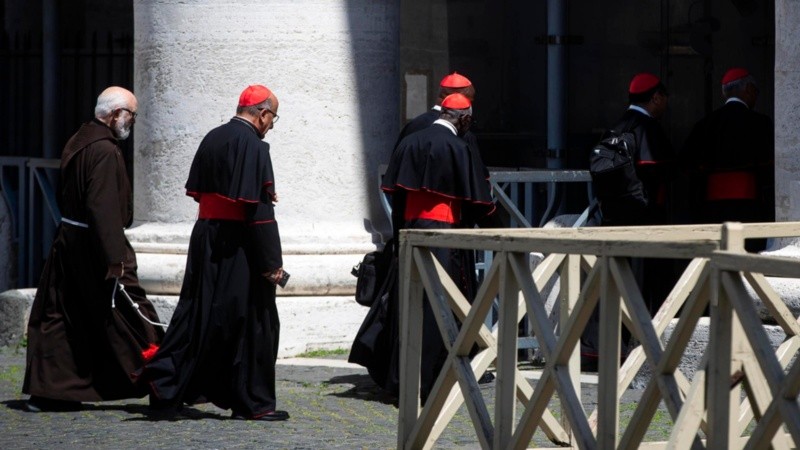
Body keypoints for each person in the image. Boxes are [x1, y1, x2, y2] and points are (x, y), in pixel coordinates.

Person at [140, 85, 289, 421]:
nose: (272, 125)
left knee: (198, 314)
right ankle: (253, 403)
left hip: (206, 237)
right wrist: (272, 264)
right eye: (273, 117)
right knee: (254, 320)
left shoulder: (213, 137)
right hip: (239, 244)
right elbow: (258, 212)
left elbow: (207, 193)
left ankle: (166, 390)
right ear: (262, 113)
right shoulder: (254, 146)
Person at [22, 86, 164, 412]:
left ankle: (52, 391)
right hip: (96, 249)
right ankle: (164, 382)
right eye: (131, 114)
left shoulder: (79, 140)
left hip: (71, 242)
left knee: (63, 316)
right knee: (133, 315)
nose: (133, 121)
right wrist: (114, 258)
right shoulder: (103, 150)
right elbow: (103, 208)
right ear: (114, 114)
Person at [377, 93, 495, 402]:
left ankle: (402, 380)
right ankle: (431, 383)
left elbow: (396, 196)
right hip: (444, 238)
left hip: (411, 234)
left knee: (410, 305)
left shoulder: (409, 141)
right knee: (437, 309)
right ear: (464, 118)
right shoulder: (458, 147)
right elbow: (478, 203)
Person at [582, 73, 676, 371]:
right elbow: (661, 175)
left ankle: (599, 350)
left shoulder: (616, 127)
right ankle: (645, 351)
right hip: (646, 225)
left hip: (611, 221)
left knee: (610, 286)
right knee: (640, 287)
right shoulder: (649, 130)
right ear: (656, 97)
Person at [682, 67, 774, 251]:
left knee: (718, 253)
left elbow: (687, 163)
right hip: (750, 205)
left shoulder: (704, 124)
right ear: (748, 89)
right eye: (755, 91)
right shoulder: (761, 123)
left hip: (711, 208)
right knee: (748, 253)